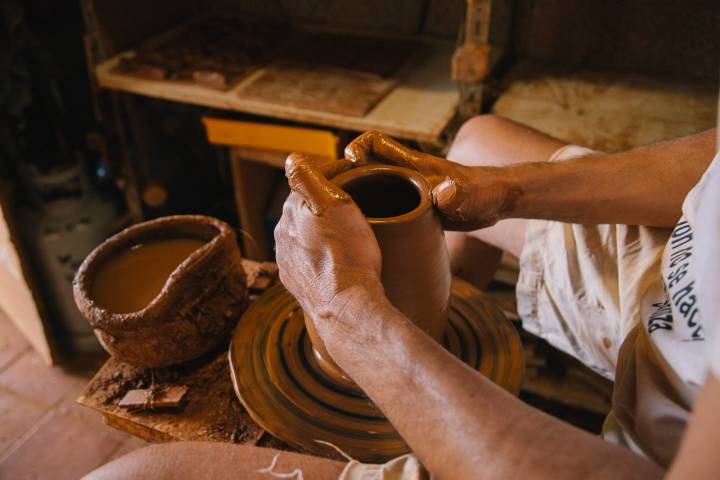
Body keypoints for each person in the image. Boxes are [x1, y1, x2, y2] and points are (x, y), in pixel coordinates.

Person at [87, 117, 719, 479]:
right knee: (474, 142)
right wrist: (504, 188)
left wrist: (347, 315)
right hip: (698, 264)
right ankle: (432, 351)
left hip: (678, 445)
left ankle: (425, 370)